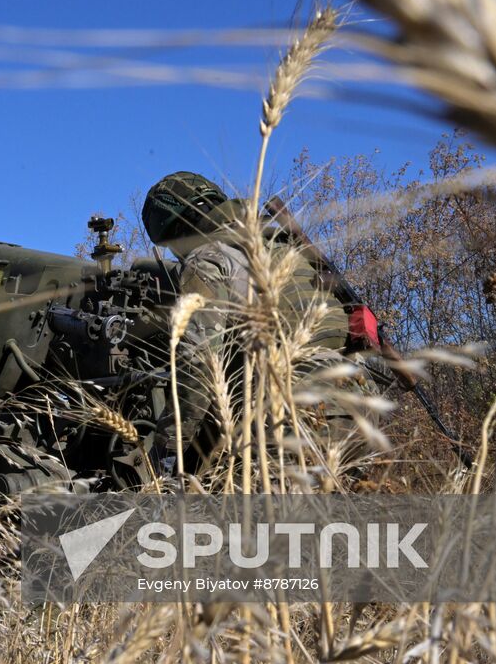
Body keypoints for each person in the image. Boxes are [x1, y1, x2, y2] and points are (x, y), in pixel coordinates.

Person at [140, 171, 365, 471]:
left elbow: (199, 360)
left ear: (180, 229)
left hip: (296, 415)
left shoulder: (207, 258)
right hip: (360, 406)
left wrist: (166, 447)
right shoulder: (283, 245)